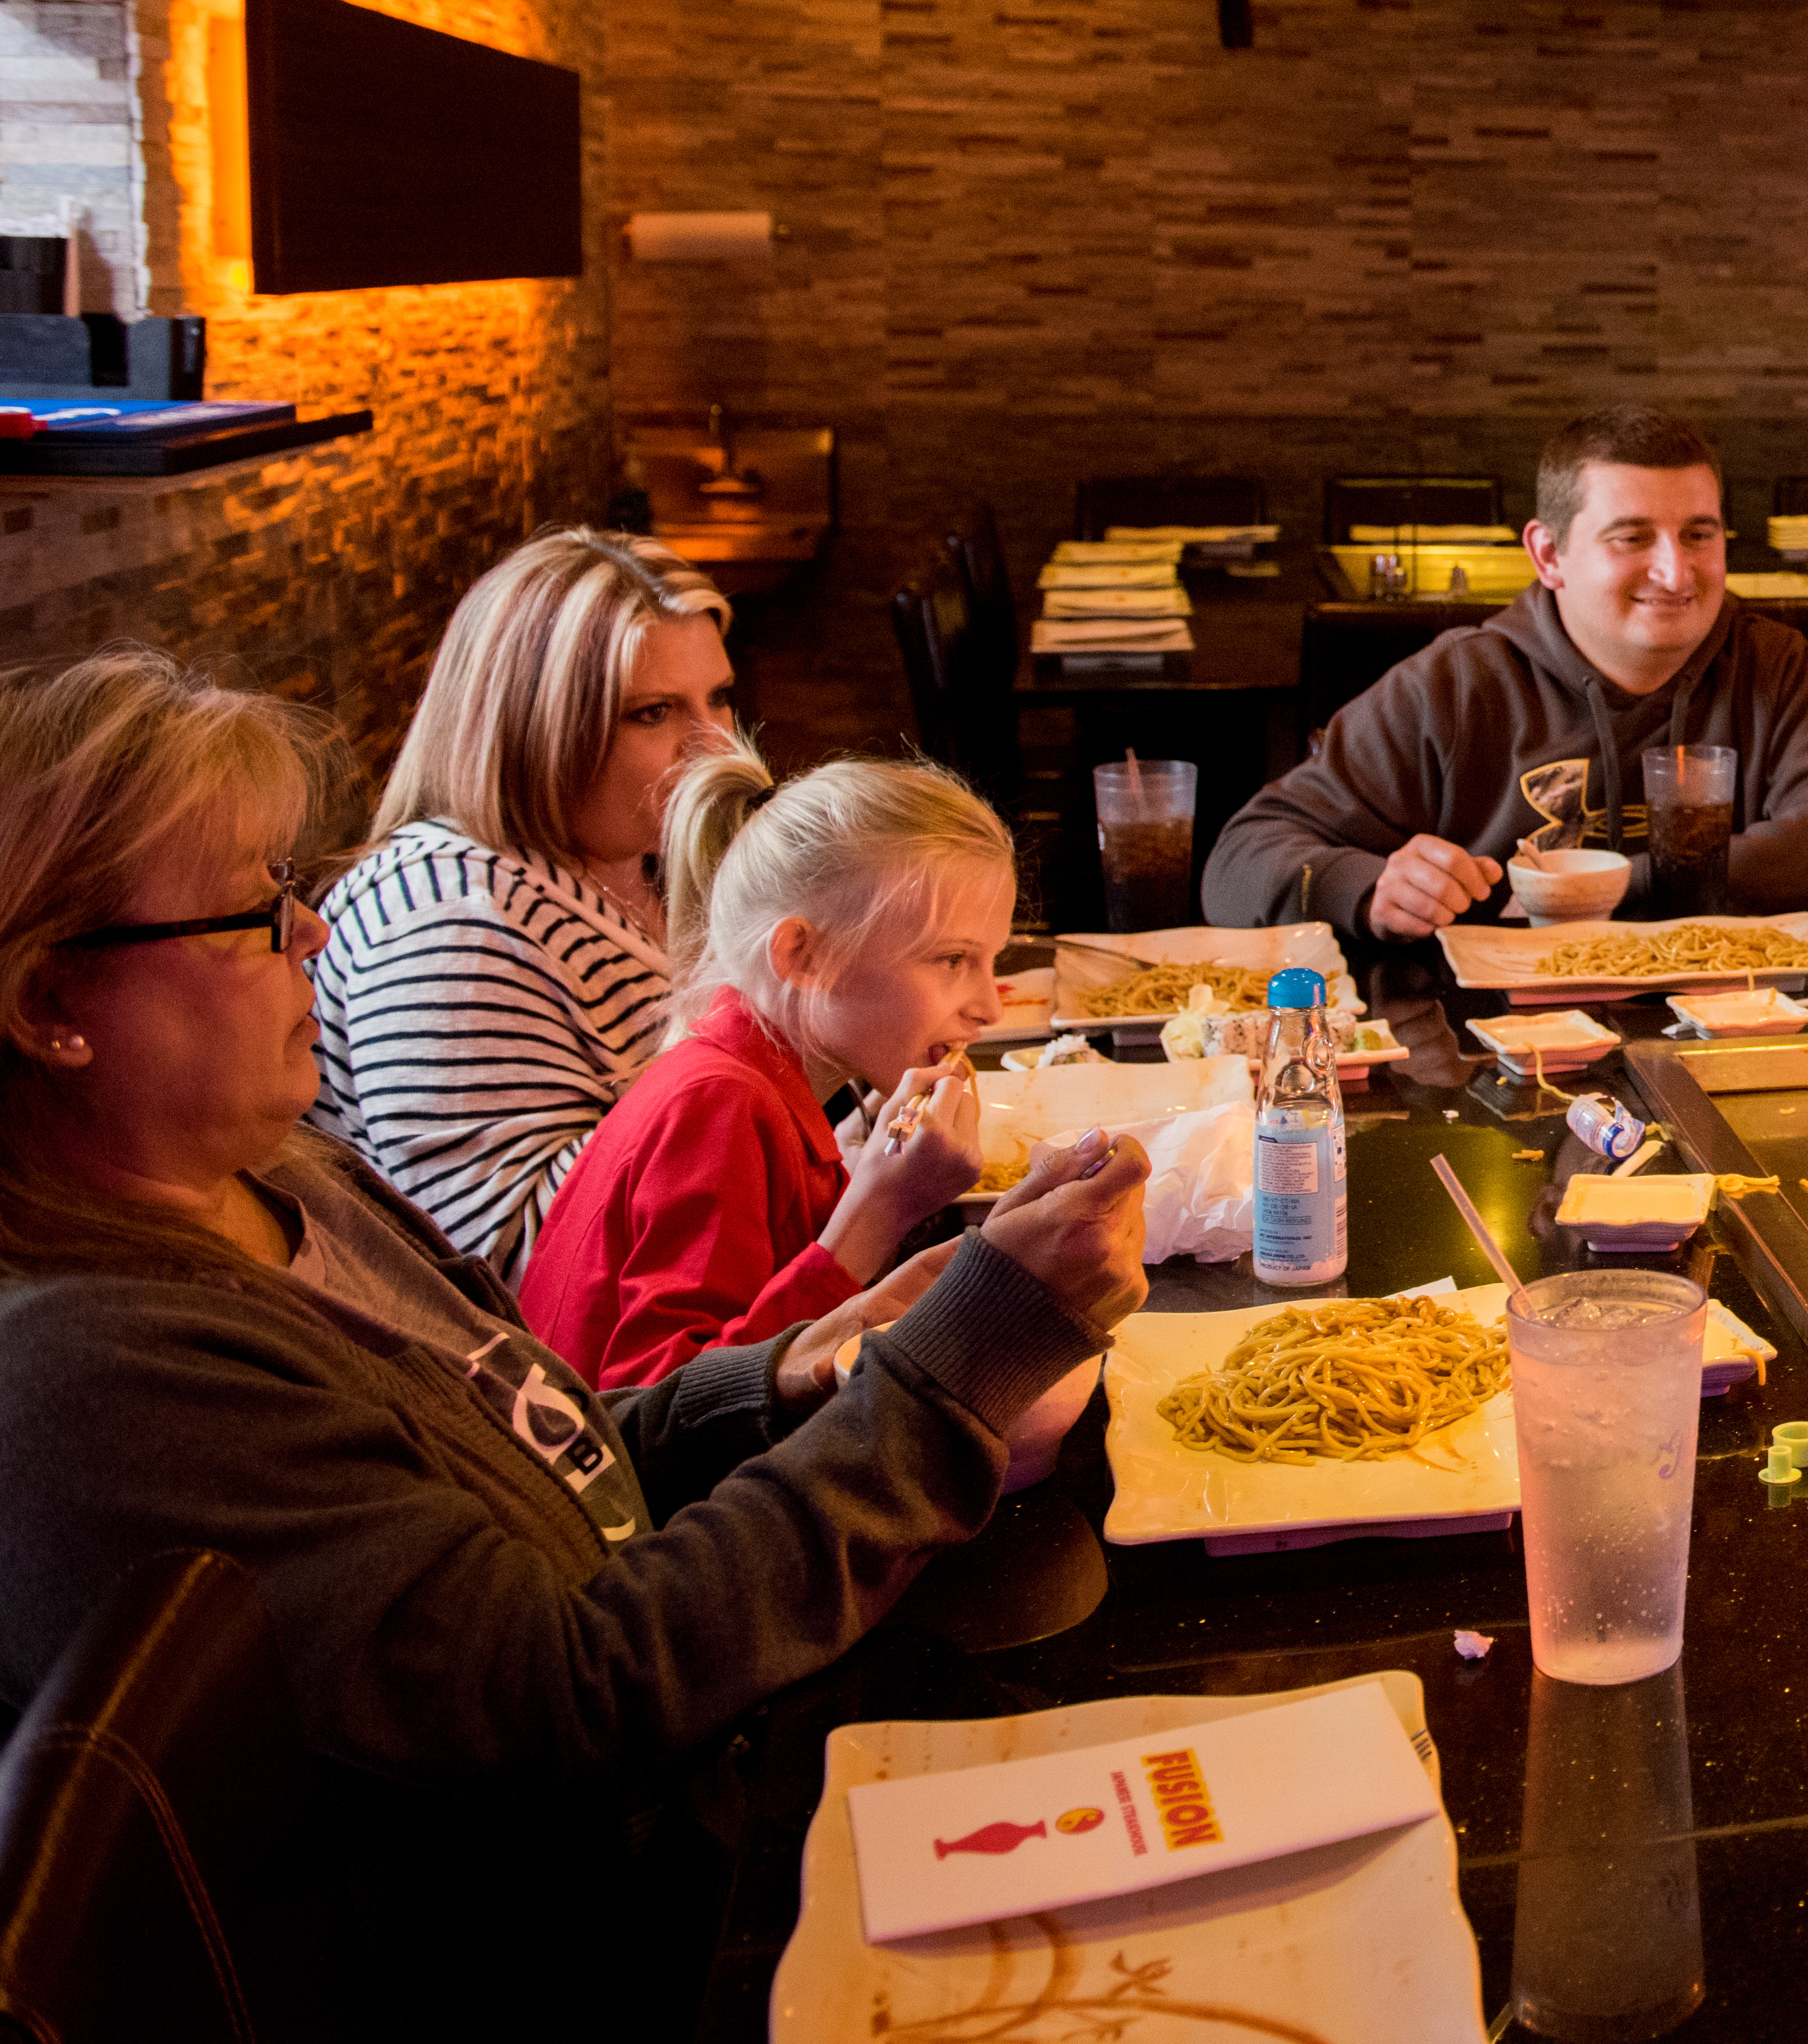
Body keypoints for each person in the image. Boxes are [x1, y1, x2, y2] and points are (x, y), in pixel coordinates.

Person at [0, 647, 1151, 1988]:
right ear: (47, 1003)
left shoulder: (285, 1181)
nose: (313, 931)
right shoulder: (96, 1370)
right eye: (253, 908)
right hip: (621, 1936)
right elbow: (571, 1694)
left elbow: (546, 1453)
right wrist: (965, 1358)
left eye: (292, 885)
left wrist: (784, 1370)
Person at [1205, 405, 1808, 939]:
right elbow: (1239, 862)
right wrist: (1365, 889)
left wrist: (1621, 885)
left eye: (1698, 534)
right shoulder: (1456, 683)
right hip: (1490, 1061)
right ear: (1548, 556)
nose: (1675, 571)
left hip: (1717, 1041)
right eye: (1631, 537)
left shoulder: (1774, 665)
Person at [309, 528, 740, 1276]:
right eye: (653, 713)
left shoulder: (639, 862)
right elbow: (519, 1265)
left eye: (719, 700)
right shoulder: (449, 924)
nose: (718, 749)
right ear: (536, 726)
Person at [518, 746, 1007, 1388]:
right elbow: (661, 1405)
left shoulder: (766, 1080)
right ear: (801, 955)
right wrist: (880, 1212)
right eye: (952, 960)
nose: (991, 1007)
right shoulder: (719, 1106)